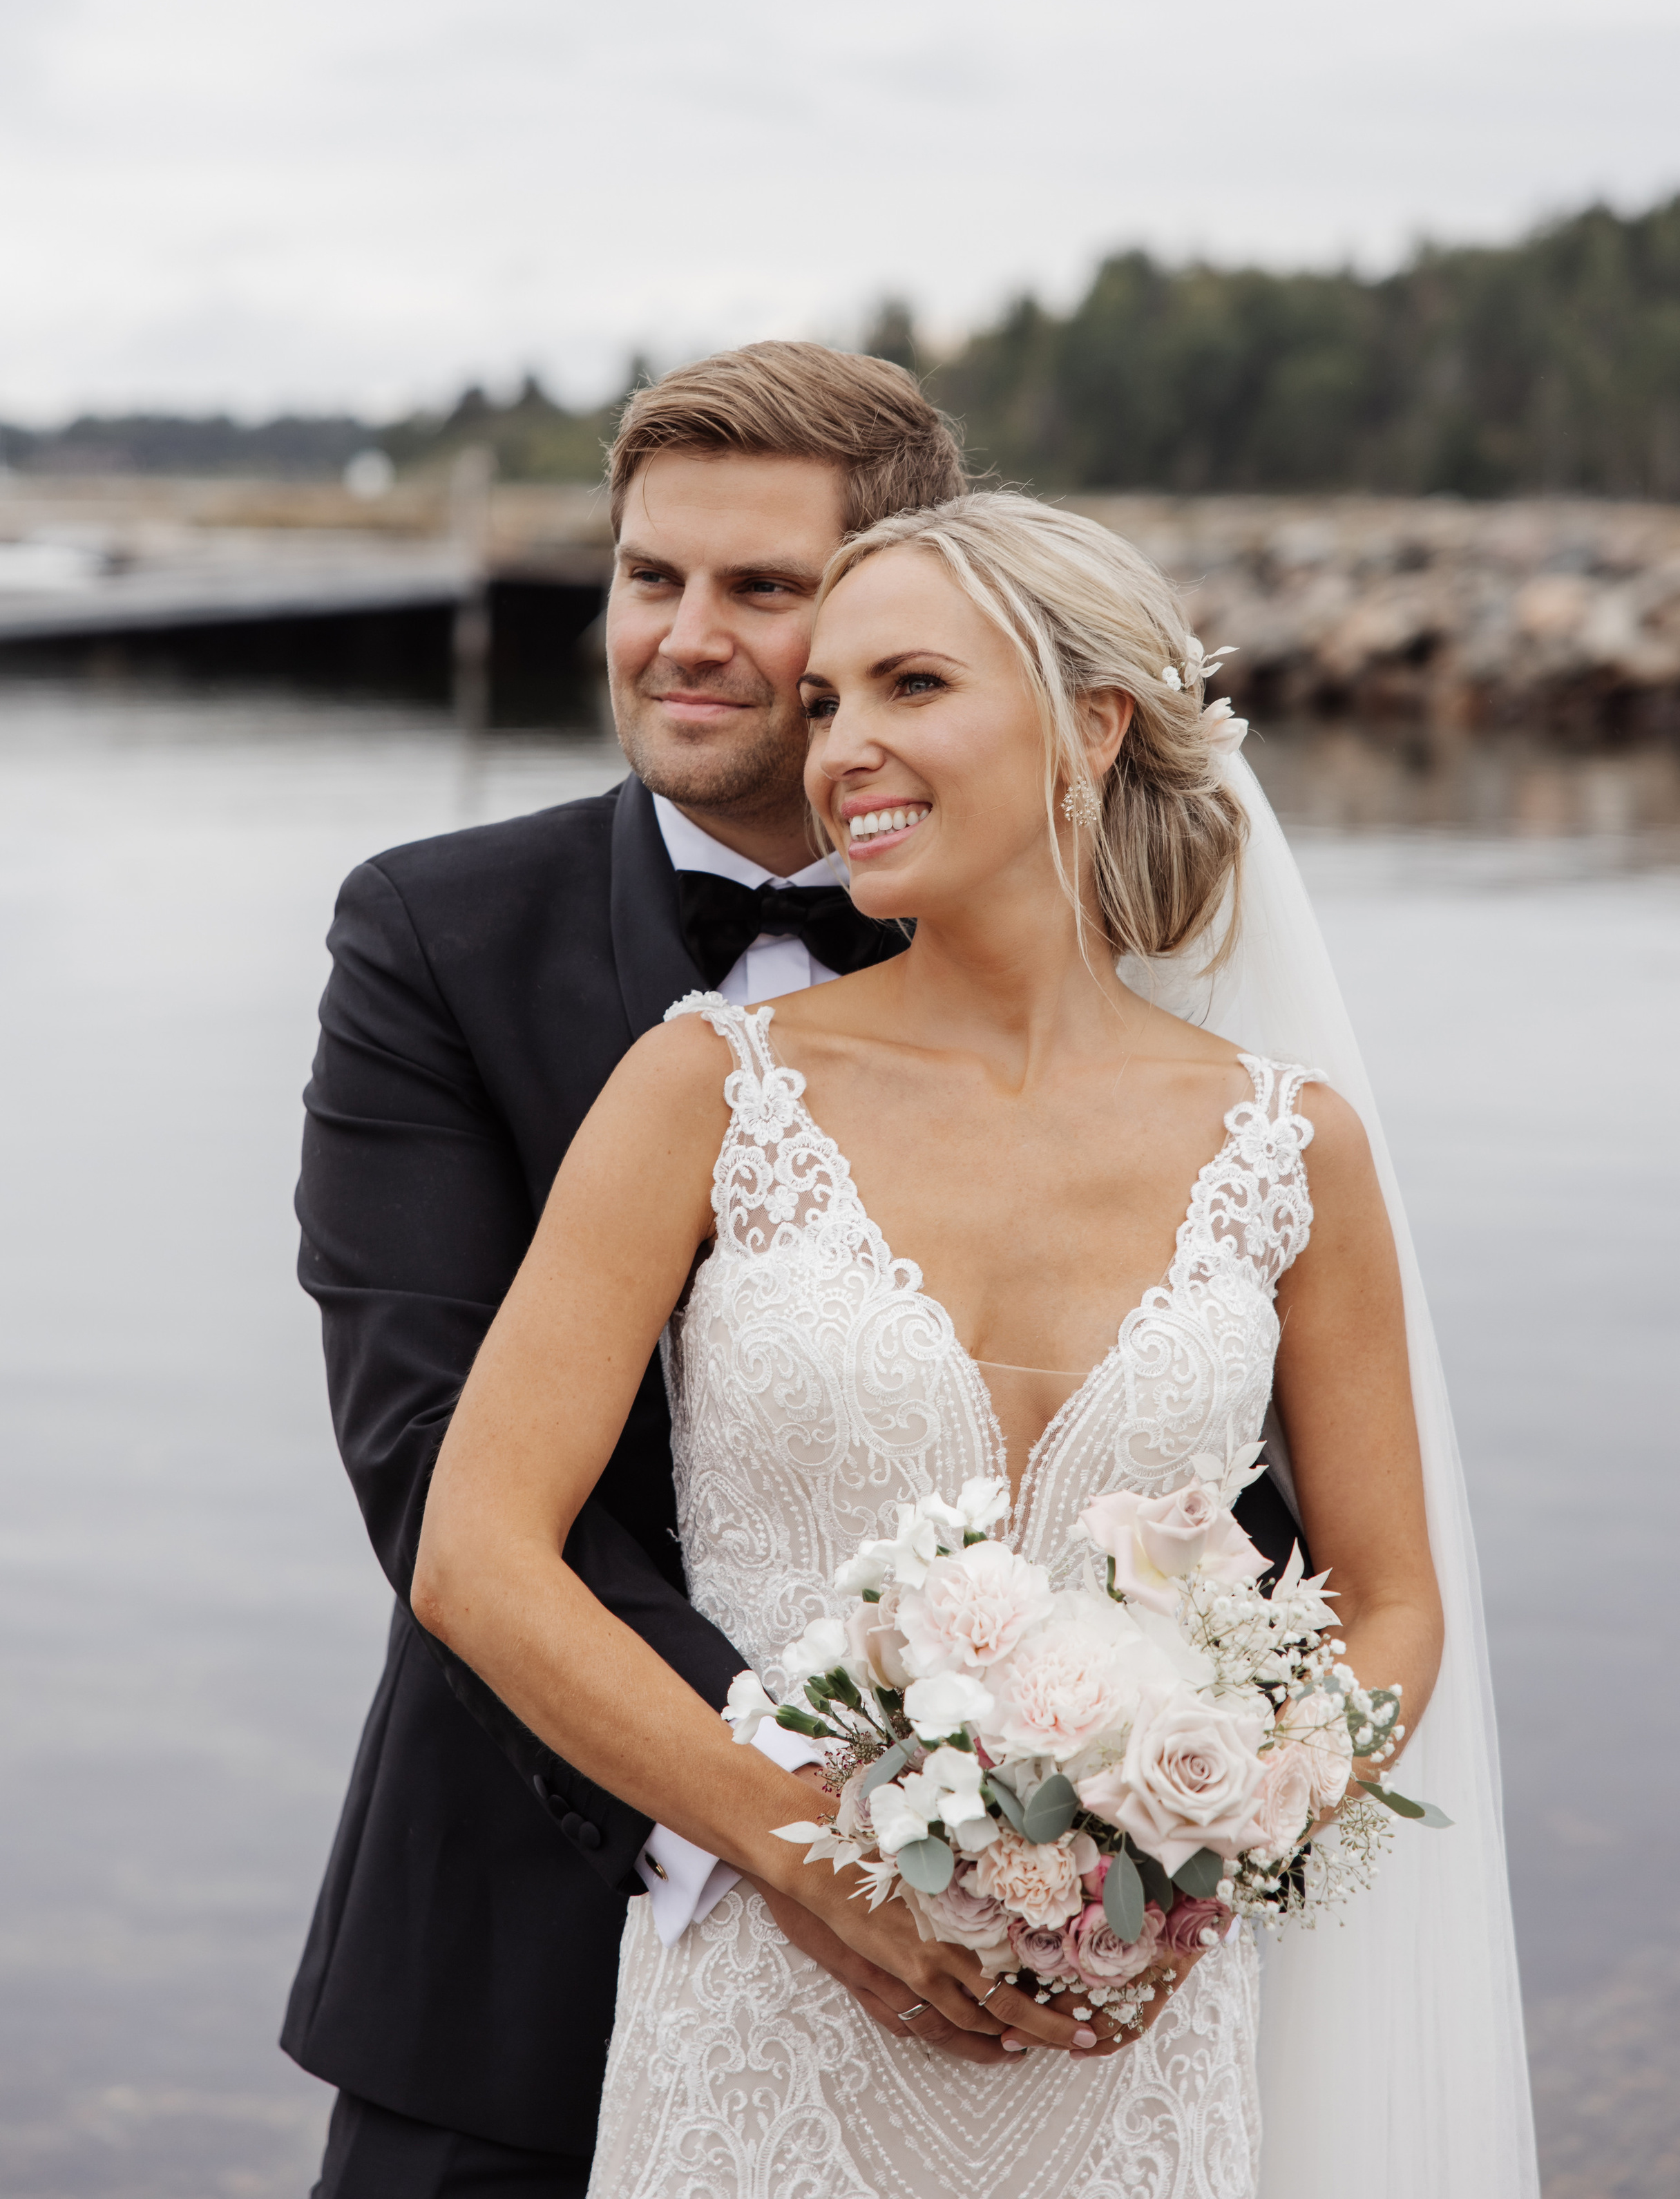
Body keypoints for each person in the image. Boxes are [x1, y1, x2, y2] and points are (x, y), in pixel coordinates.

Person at [412, 494, 1538, 2198]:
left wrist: (1213, 1835)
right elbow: (477, 1557)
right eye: (823, 705)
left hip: (1136, 2034)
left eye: (910, 686)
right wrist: (808, 1857)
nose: (839, 751)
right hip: (770, 2019)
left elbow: (1389, 1603)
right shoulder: (704, 1088)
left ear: (1091, 727)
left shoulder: (1288, 1145)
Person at [282, 343, 978, 2198]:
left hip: (980, 1939)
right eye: (649, 576)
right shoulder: (430, 934)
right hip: (516, 1947)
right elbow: (428, 1453)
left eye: (761, 588)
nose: (684, 638)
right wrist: (790, 1828)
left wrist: (1034, 1812)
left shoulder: (1058, 961)